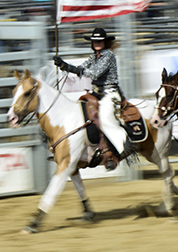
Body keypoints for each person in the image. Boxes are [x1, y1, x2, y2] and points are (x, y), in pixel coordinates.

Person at [53, 28, 132, 170]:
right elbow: (81, 68)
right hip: (97, 93)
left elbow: (95, 74)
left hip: (110, 93)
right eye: (95, 41)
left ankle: (119, 148)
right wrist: (64, 65)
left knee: (105, 117)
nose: (97, 43)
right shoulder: (94, 56)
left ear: (105, 42)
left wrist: (75, 69)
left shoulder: (108, 56)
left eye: (100, 40)